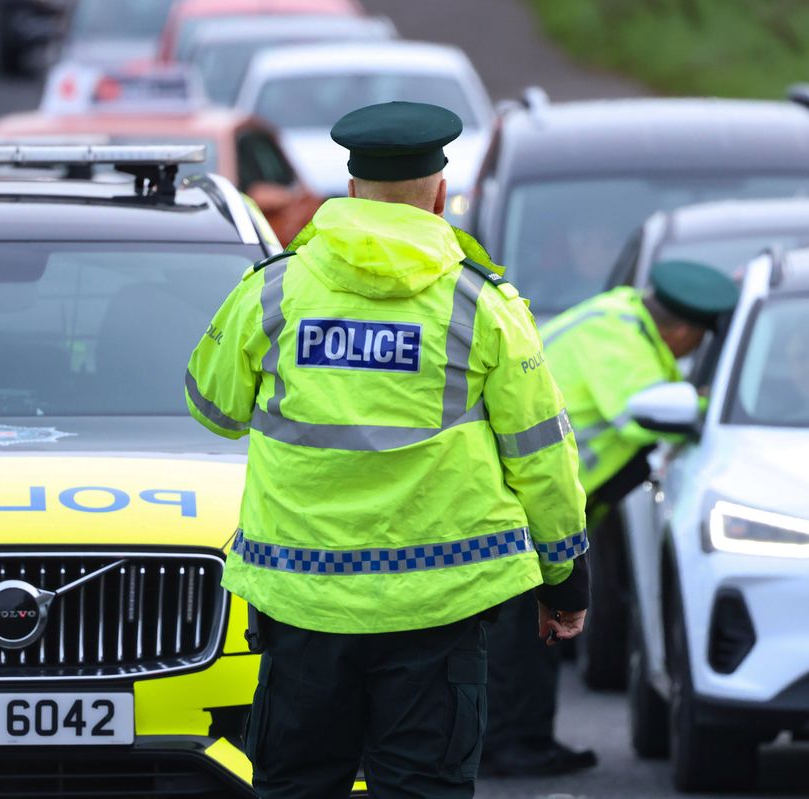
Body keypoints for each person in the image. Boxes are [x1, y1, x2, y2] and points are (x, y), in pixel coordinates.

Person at [185, 100, 591, 799]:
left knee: (300, 784)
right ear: (439, 194)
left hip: (301, 603)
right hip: (439, 607)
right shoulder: (481, 306)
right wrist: (565, 581)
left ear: (350, 192)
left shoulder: (275, 291)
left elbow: (213, 408)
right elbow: (542, 458)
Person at [482, 261, 738, 766]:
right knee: (521, 635)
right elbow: (643, 413)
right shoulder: (620, 349)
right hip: (521, 506)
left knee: (533, 630)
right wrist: (727, 403)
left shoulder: (620, 317)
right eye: (698, 341)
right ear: (683, 330)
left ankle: (522, 739)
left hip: (524, 501)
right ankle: (511, 746)